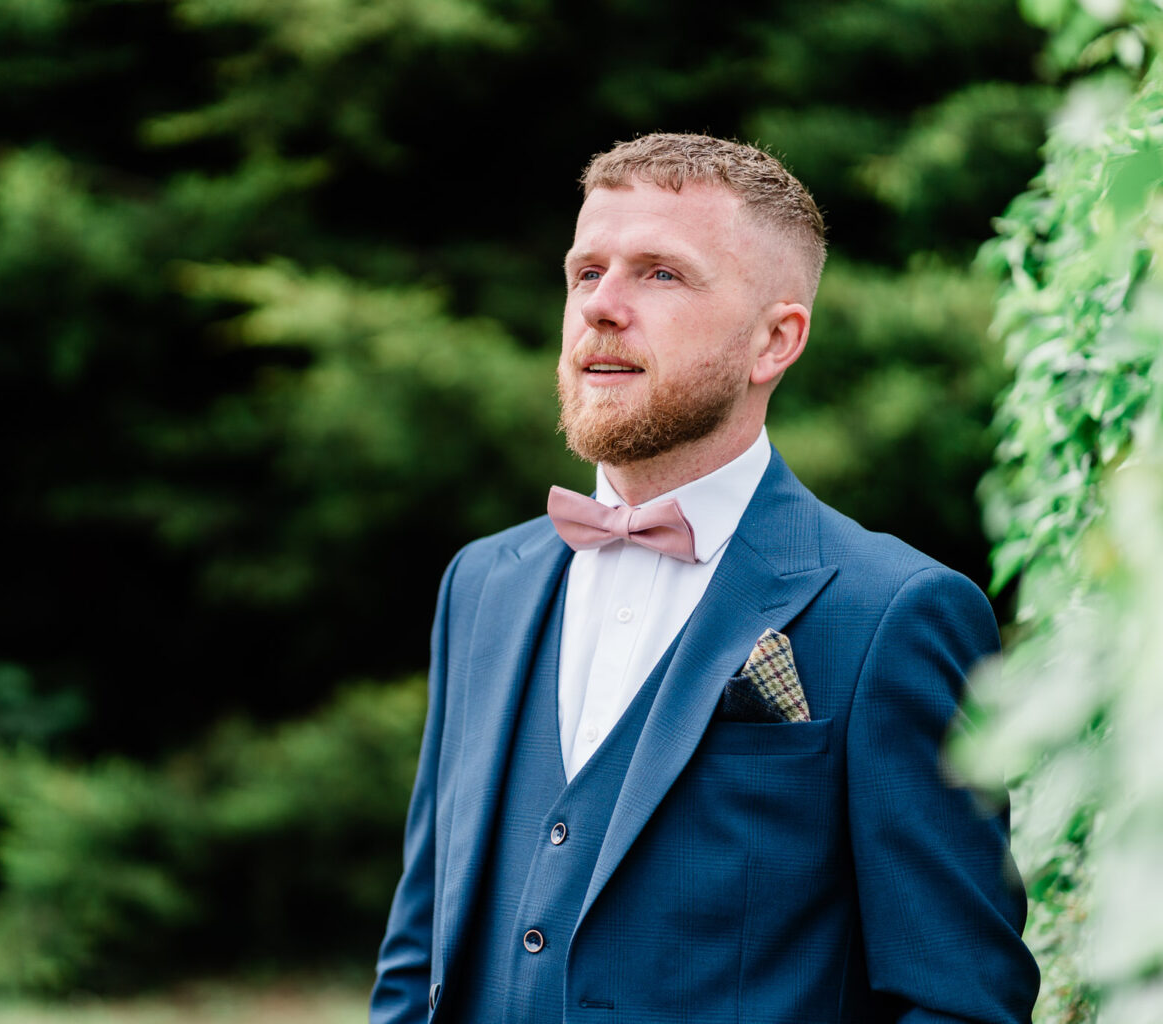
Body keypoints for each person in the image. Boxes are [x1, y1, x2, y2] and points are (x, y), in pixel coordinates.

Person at [369, 133, 1039, 1023]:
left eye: (661, 274)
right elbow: (420, 961)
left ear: (774, 341)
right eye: (586, 271)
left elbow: (958, 1000)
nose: (602, 307)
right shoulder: (482, 584)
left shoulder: (894, 612)